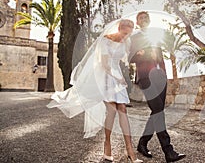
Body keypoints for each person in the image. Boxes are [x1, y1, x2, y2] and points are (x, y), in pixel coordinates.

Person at [47, 19, 143, 163]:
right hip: (105, 77)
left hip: (117, 76)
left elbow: (125, 59)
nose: (125, 37)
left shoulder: (126, 42)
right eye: (124, 33)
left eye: (128, 34)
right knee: (111, 111)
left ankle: (130, 149)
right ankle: (107, 145)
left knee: (122, 108)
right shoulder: (105, 41)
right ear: (118, 28)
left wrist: (139, 54)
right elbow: (104, 64)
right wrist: (117, 78)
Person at [128, 11, 186, 162]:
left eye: (146, 17)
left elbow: (159, 56)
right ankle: (168, 151)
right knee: (158, 111)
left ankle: (143, 143)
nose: (144, 19)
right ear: (137, 22)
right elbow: (130, 57)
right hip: (145, 77)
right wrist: (144, 54)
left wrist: (165, 74)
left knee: (157, 111)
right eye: (141, 17)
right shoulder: (134, 37)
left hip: (160, 76)